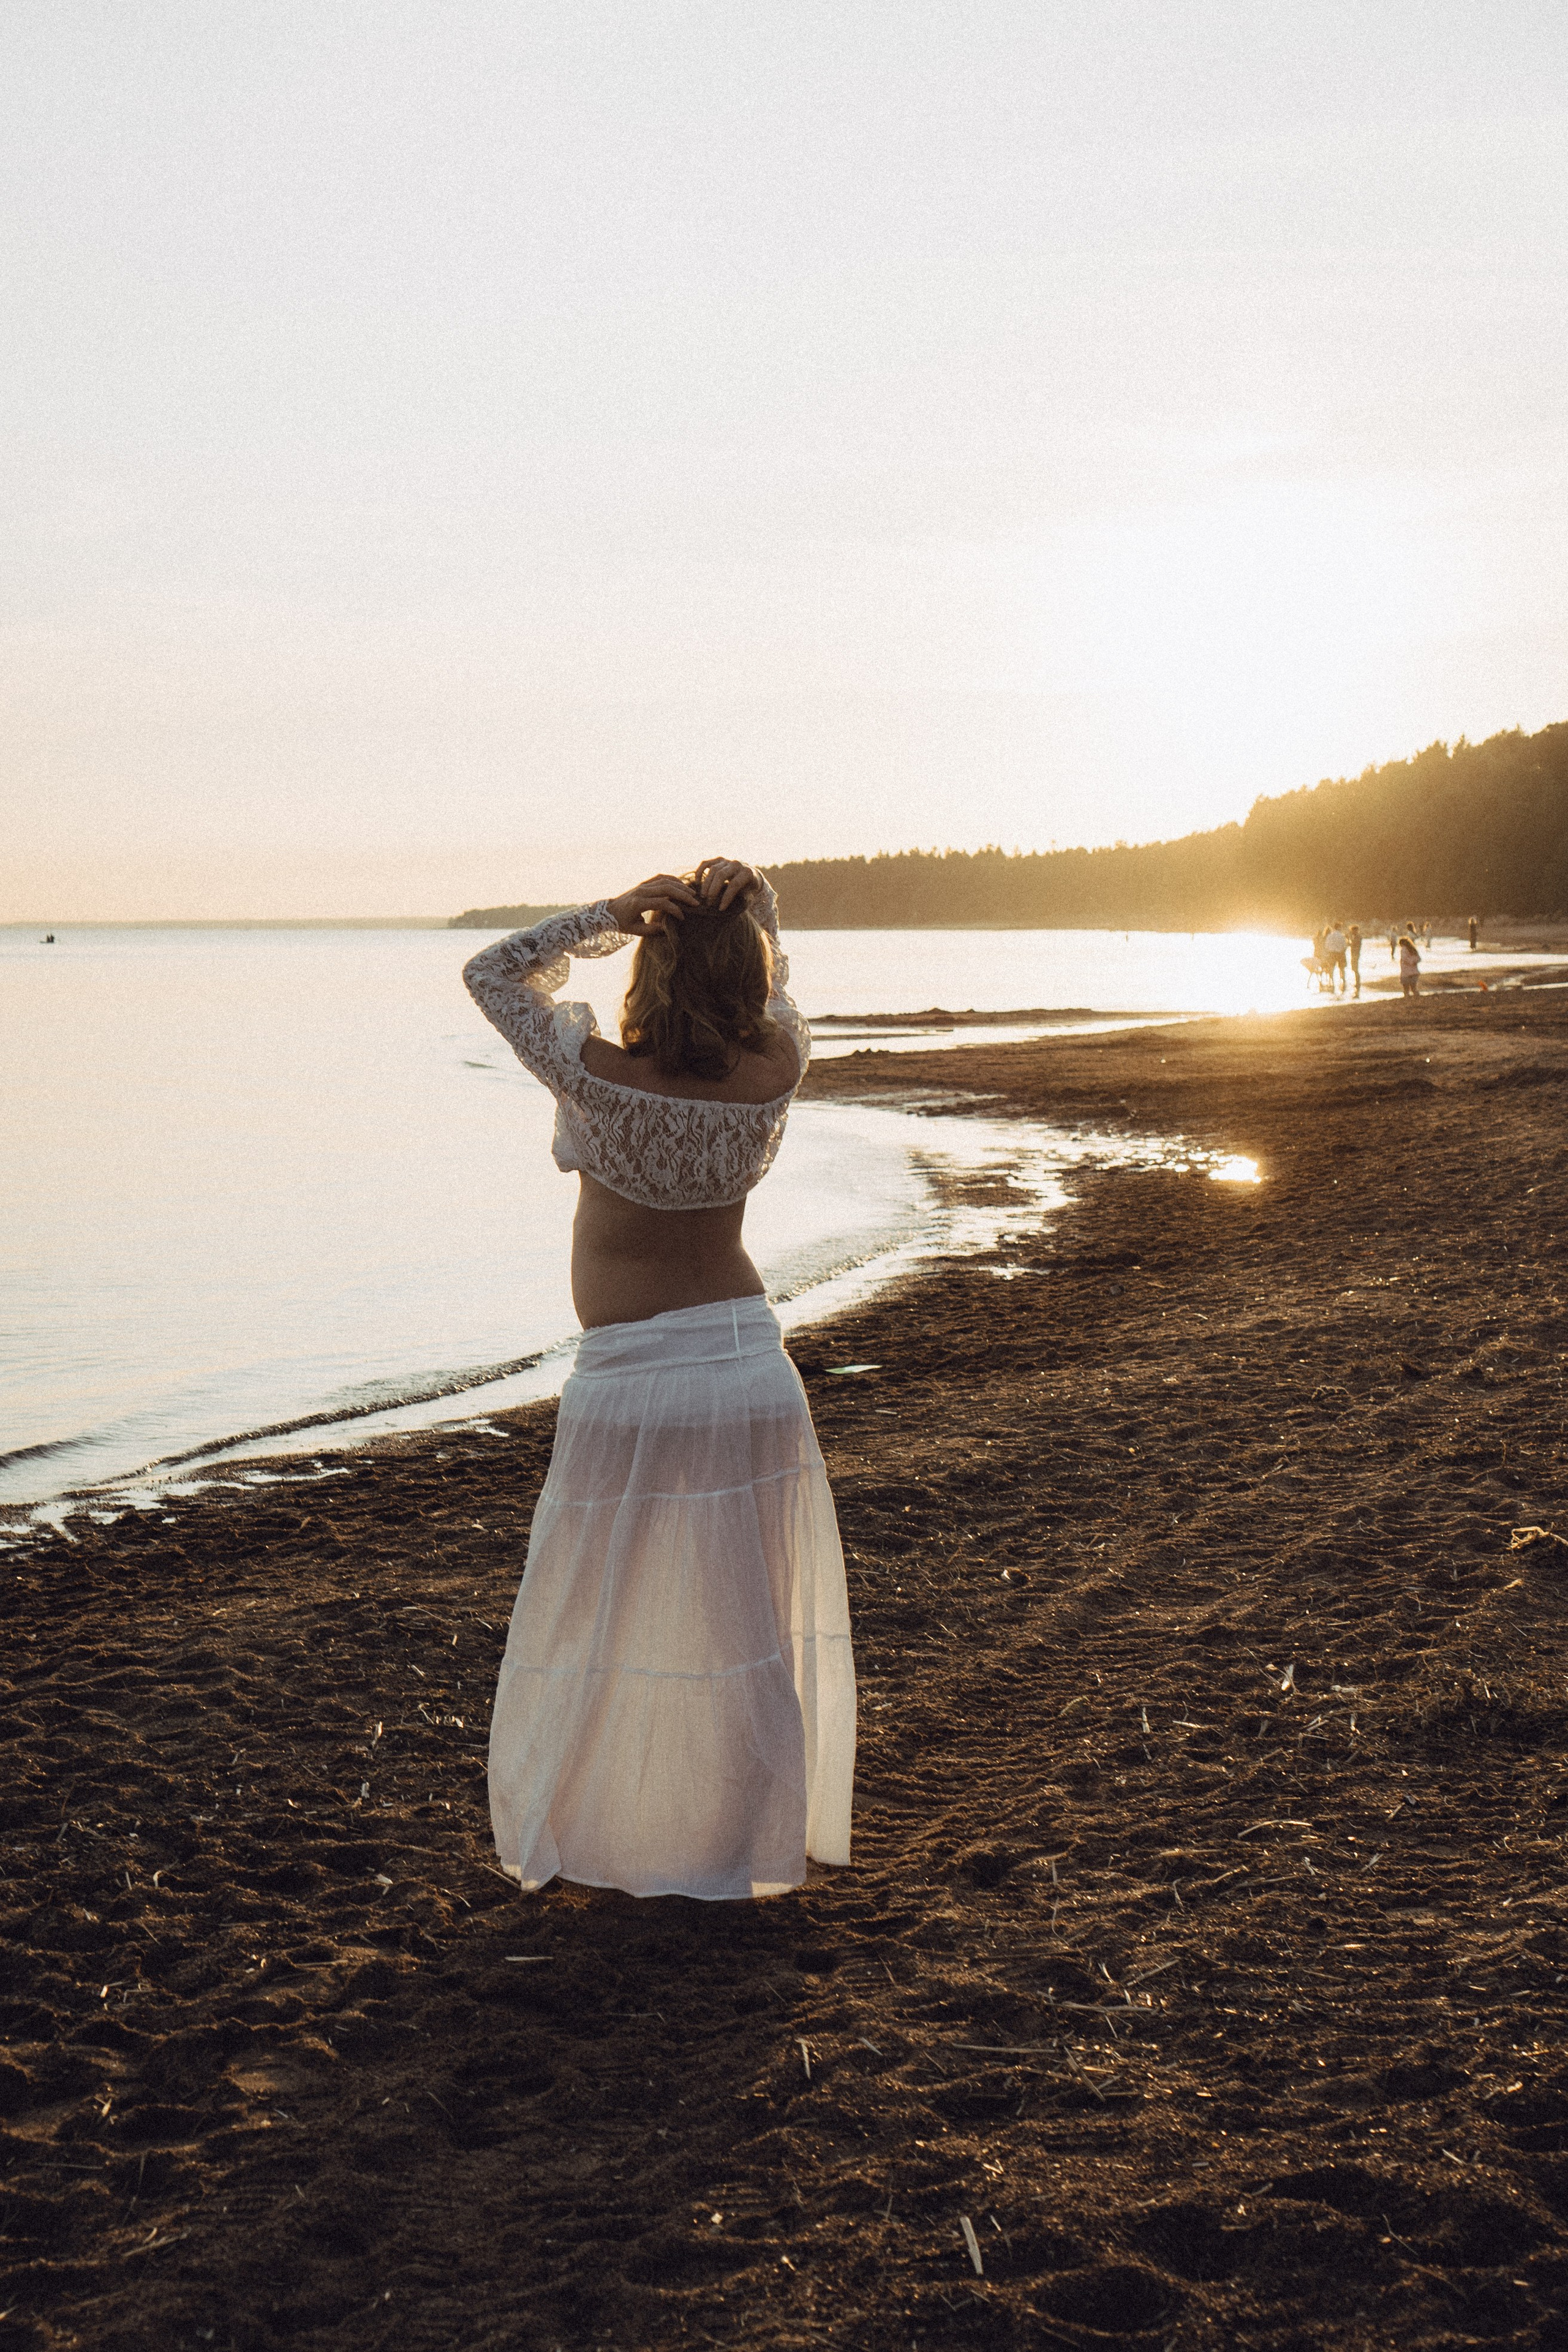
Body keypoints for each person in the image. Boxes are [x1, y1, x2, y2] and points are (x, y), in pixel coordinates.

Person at [462, 859, 855, 1901]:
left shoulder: (594, 1076)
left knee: (597, 1617)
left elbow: (493, 974)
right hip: (743, 1365)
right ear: (743, 977)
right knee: (745, 1629)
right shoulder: (773, 1071)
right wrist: (754, 910)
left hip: (636, 1379)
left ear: (651, 968)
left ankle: (610, 1838)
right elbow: (782, 999)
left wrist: (608, 914)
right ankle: (739, 1845)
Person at [1324, 918, 1348, 995]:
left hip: (1332, 953)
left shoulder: (1330, 936)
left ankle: (1332, 983)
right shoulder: (1342, 936)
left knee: (1331, 969)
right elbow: (1345, 946)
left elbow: (1326, 946)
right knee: (1342, 969)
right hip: (1340, 953)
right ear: (1340, 928)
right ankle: (1343, 981)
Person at [1397, 930, 1422, 999]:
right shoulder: (1413, 949)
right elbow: (1419, 959)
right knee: (1414, 988)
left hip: (1406, 973)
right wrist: (1413, 962)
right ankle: (1417, 999)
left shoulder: (1404, 949)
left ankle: (1408, 999)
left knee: (1406, 989)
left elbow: (1405, 958)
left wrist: (1410, 962)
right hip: (1414, 972)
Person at [1347, 922, 1362, 997]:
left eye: (1353, 931)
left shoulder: (1357, 937)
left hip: (1355, 955)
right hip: (1354, 954)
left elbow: (1353, 945)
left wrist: (1348, 940)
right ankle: (1357, 983)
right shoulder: (1356, 937)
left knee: (1355, 970)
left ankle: (1358, 983)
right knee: (1355, 970)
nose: (1352, 932)